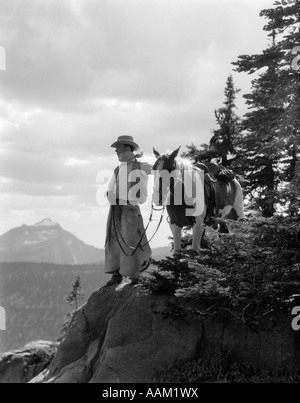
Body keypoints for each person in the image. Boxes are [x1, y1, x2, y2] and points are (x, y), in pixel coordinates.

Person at [105, 135, 152, 286]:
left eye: (118, 148)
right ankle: (116, 274)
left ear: (126, 148)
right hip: (115, 208)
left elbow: (145, 191)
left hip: (130, 207)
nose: (116, 151)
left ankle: (134, 275)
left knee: (131, 240)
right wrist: (109, 195)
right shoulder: (118, 169)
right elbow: (110, 187)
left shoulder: (142, 166)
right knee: (113, 239)